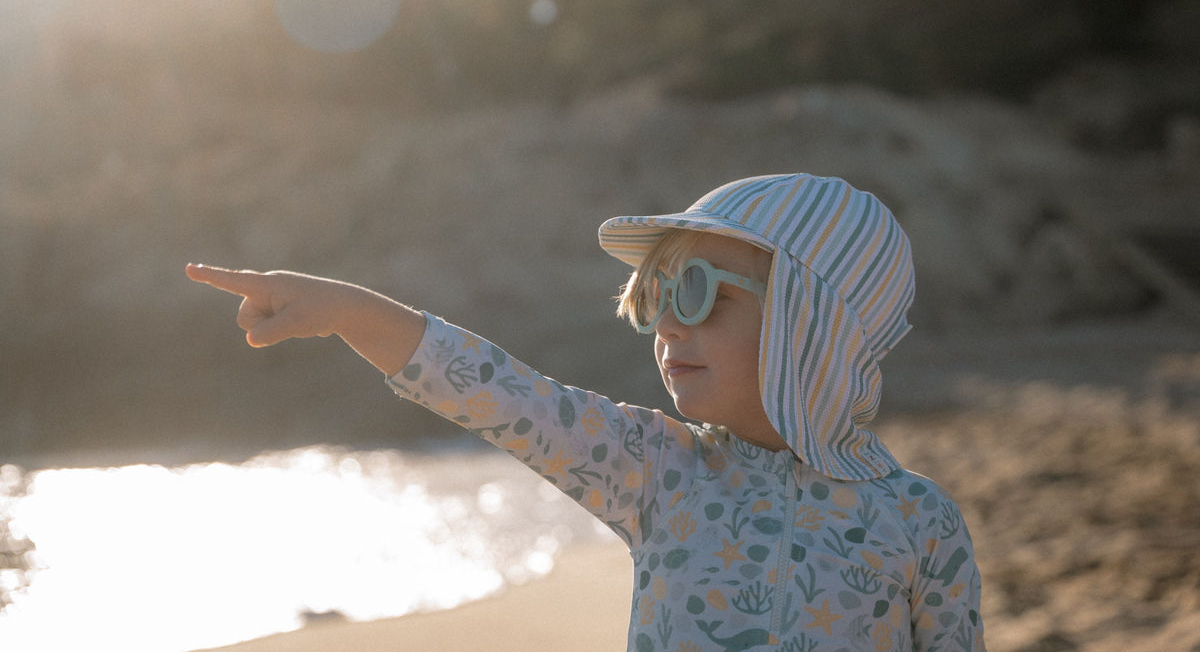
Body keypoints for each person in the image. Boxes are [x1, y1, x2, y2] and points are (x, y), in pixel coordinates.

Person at [187, 173, 985, 651]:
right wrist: (345, 310)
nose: (669, 325)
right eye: (655, 300)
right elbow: (499, 394)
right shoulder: (658, 470)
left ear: (814, 325)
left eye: (699, 295)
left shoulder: (918, 522)